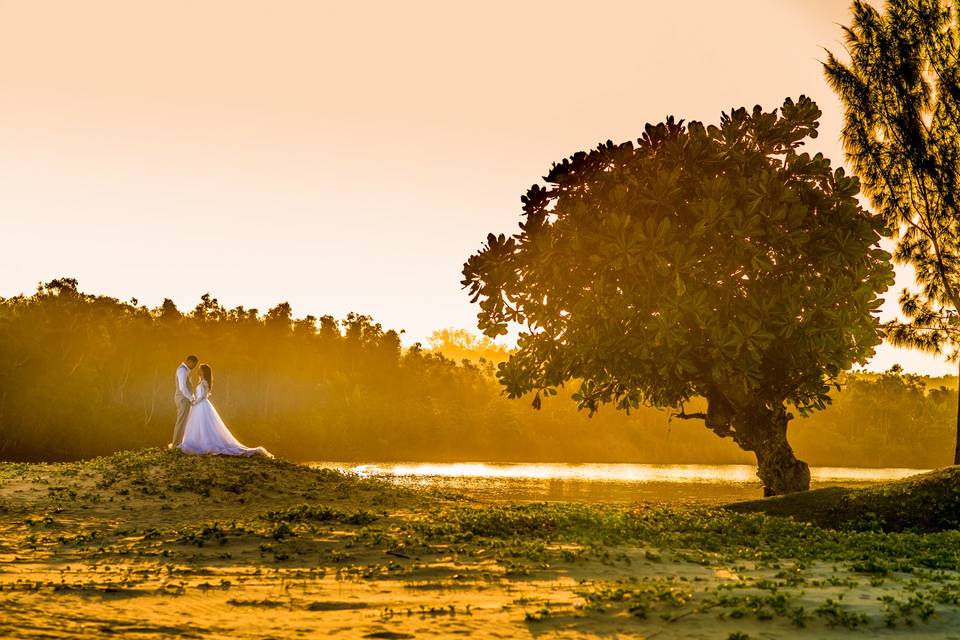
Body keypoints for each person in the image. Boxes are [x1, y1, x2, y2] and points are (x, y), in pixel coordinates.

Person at [178, 363, 272, 457]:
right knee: (198, 424)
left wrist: (194, 402)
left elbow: (203, 396)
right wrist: (194, 401)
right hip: (199, 405)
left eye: (200, 369)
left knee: (204, 424)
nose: (198, 371)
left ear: (203, 372)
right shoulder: (202, 381)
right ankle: (196, 442)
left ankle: (204, 443)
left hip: (201, 405)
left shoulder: (204, 382)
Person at [170, 355, 199, 449]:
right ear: (189, 361)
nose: (194, 367)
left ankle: (179, 443)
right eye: (194, 364)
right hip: (183, 399)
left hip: (184, 398)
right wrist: (191, 398)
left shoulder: (185, 370)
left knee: (183, 421)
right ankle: (175, 444)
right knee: (181, 421)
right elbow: (182, 387)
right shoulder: (182, 370)